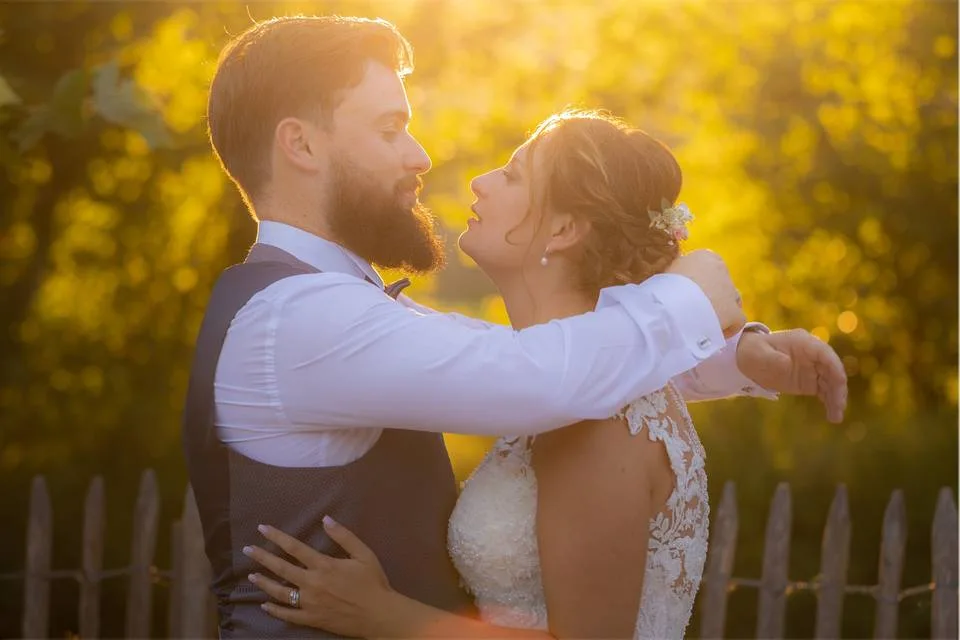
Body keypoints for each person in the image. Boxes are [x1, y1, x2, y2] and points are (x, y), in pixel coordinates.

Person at [183, 15, 847, 639]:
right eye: (389, 130)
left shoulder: (323, 305)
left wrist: (733, 360)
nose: (421, 156)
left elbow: (541, 366)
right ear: (300, 144)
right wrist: (692, 295)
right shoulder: (298, 319)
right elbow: (539, 375)